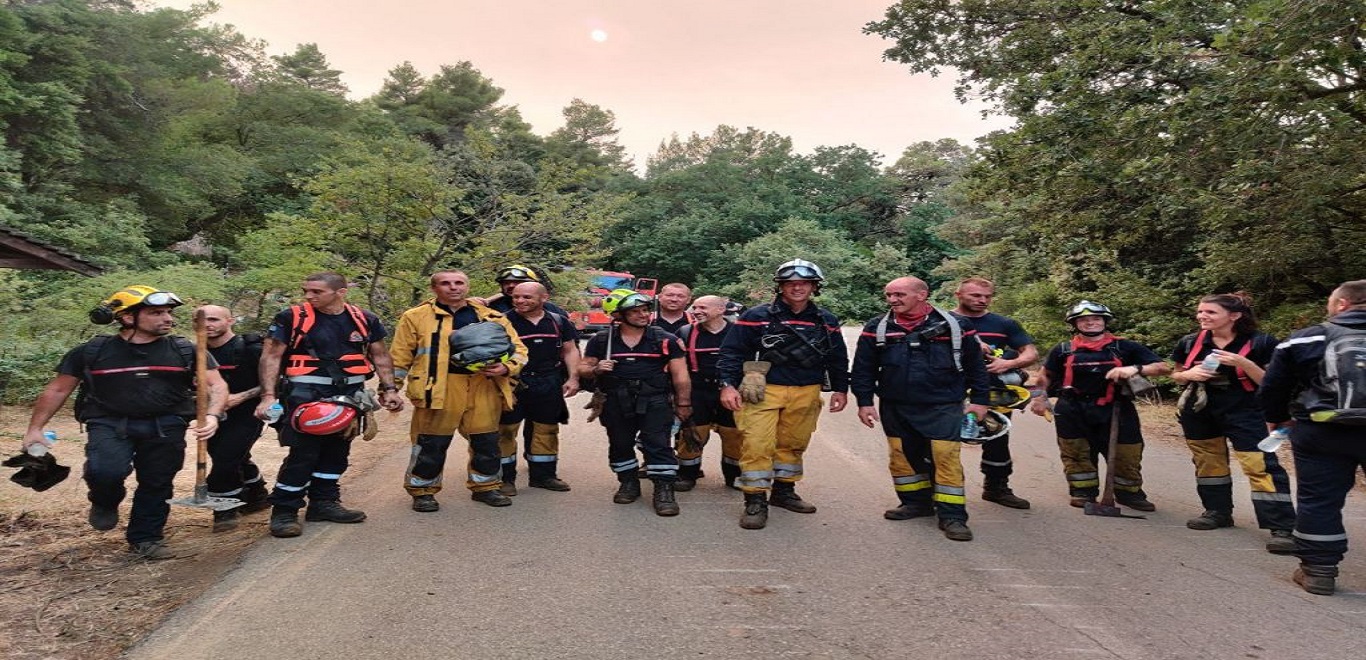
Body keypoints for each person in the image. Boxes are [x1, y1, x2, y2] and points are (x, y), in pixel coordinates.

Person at [22, 286, 229, 559]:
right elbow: (58, 390)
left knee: (157, 482)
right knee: (104, 471)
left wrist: (213, 415)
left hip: (166, 425)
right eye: (156, 312)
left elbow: (216, 386)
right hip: (108, 423)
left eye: (168, 312)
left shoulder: (187, 350)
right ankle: (104, 502)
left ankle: (146, 539)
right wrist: (34, 429)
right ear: (127, 317)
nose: (167, 318)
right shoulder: (91, 351)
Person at [255, 273, 405, 538]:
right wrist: (268, 396)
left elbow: (380, 355)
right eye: (306, 290)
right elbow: (271, 356)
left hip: (351, 394)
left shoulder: (364, 319)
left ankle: (323, 502)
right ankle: (285, 510)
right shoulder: (290, 318)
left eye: (316, 291)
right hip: (305, 393)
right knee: (304, 453)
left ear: (341, 292)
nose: (309, 296)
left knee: (338, 450)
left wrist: (389, 389)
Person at [852, 277, 991, 541]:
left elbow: (976, 366)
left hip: (942, 405)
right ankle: (916, 503)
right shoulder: (877, 327)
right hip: (896, 405)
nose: (893, 300)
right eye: (889, 295)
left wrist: (980, 401)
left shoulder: (956, 326)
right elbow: (863, 368)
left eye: (900, 294)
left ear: (922, 295)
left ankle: (953, 516)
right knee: (902, 457)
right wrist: (865, 402)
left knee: (945, 458)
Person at [717, 259, 849, 530]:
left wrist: (841, 388)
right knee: (757, 445)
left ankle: (784, 492)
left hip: (807, 390)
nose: (797, 288)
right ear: (780, 287)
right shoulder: (756, 316)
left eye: (804, 283)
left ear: (814, 286)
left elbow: (837, 357)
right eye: (790, 283)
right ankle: (754, 501)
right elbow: (731, 352)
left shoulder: (826, 320)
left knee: (794, 443)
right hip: (763, 390)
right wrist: (728, 385)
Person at [1259, 280, 1366, 596]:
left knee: (1319, 500)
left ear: (1342, 304)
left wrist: (1277, 419)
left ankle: (1318, 571)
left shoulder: (1306, 338)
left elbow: (1273, 386)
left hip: (1322, 430)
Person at [390, 270, 527, 512]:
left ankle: (486, 487)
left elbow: (519, 350)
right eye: (446, 283)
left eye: (459, 283)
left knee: (486, 441)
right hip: (438, 388)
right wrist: (391, 388)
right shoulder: (416, 317)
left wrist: (506, 367)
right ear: (434, 288)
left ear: (467, 286)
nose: (453, 287)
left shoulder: (492, 317)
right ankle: (423, 491)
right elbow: (400, 356)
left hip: (483, 385)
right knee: (431, 443)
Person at [1170, 293, 1294, 554]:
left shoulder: (1262, 343)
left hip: (1246, 409)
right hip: (1200, 409)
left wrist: (1242, 362)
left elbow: (1271, 383)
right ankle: (1217, 512)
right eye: (1200, 311)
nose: (1202, 316)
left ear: (1235, 316)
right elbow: (1177, 374)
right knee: (1208, 461)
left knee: (1259, 463)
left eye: (1211, 312)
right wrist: (1188, 374)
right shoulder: (1190, 342)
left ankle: (1281, 527)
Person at [1029, 301, 1170, 510]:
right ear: (1075, 324)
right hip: (1072, 408)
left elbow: (1163, 368)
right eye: (1084, 320)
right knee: (1075, 452)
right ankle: (1083, 492)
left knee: (1127, 452)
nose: (1091, 323)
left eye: (1096, 319)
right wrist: (1039, 398)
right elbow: (1045, 376)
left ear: (1105, 321)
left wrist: (1135, 368)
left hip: (1117, 408)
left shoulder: (1125, 347)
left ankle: (1129, 494)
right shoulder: (1063, 350)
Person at [579, 290, 691, 516]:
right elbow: (583, 367)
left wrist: (683, 404)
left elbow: (681, 375)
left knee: (658, 444)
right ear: (619, 315)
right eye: (635, 311)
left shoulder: (665, 340)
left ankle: (664, 490)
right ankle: (628, 483)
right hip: (615, 401)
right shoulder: (602, 340)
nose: (643, 315)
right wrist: (595, 369)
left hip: (655, 401)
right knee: (620, 443)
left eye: (645, 310)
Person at [954, 277, 1037, 509]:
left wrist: (1007, 364)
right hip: (950, 391)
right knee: (943, 441)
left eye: (987, 296)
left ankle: (997, 488)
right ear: (958, 295)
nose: (982, 300)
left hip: (993, 392)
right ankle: (941, 491)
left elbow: (1030, 353)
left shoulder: (1004, 324)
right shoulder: (944, 320)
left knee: (998, 440)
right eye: (975, 295)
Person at [497, 281, 580, 494]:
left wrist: (573, 378)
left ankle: (544, 476)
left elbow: (570, 350)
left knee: (546, 429)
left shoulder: (559, 321)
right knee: (505, 430)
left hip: (548, 382)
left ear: (544, 298)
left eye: (526, 297)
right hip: (513, 383)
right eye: (516, 297)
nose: (519, 301)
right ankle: (504, 479)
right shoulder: (502, 322)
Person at [199, 305, 271, 533]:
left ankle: (224, 510)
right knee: (233, 457)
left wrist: (240, 397)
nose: (207, 325)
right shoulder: (193, 352)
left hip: (248, 412)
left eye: (213, 319)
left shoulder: (251, 349)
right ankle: (257, 493)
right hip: (211, 416)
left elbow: (272, 382)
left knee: (225, 458)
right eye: (201, 320)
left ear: (230, 321)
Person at [674, 294, 743, 491]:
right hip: (698, 391)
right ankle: (687, 474)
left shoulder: (738, 332)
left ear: (721, 310)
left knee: (734, 435)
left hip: (732, 391)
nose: (696, 312)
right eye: (694, 308)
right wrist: (679, 397)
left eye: (703, 307)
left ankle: (734, 476)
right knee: (692, 433)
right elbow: (677, 366)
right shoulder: (685, 332)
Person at [484, 264, 569, 317]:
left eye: (517, 282)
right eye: (506, 283)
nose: (511, 285)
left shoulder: (550, 309)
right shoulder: (491, 307)